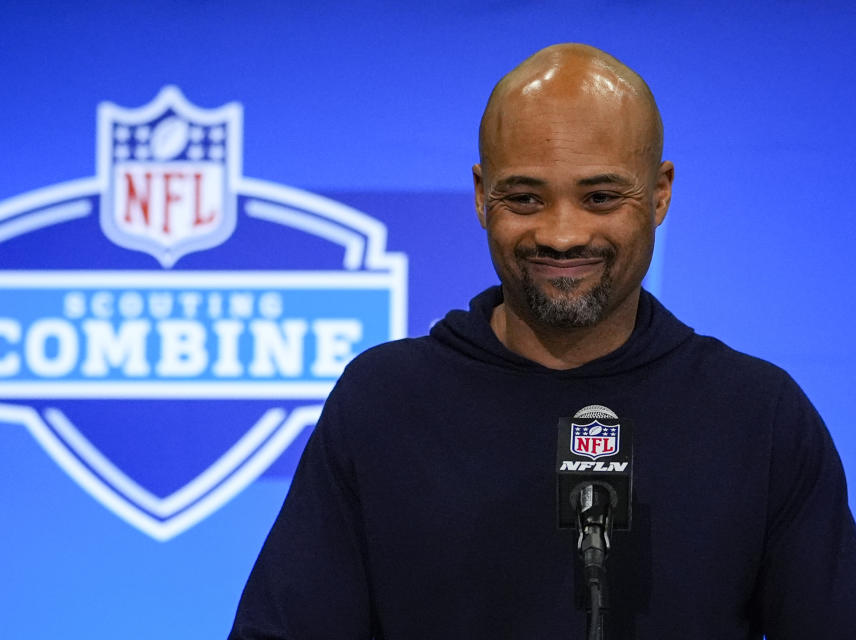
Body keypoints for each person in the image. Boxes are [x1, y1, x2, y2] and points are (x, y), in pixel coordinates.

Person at [228, 43, 856, 639]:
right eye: (525, 198)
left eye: (601, 197)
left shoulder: (758, 415)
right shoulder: (385, 401)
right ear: (480, 196)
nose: (561, 234)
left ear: (660, 192)